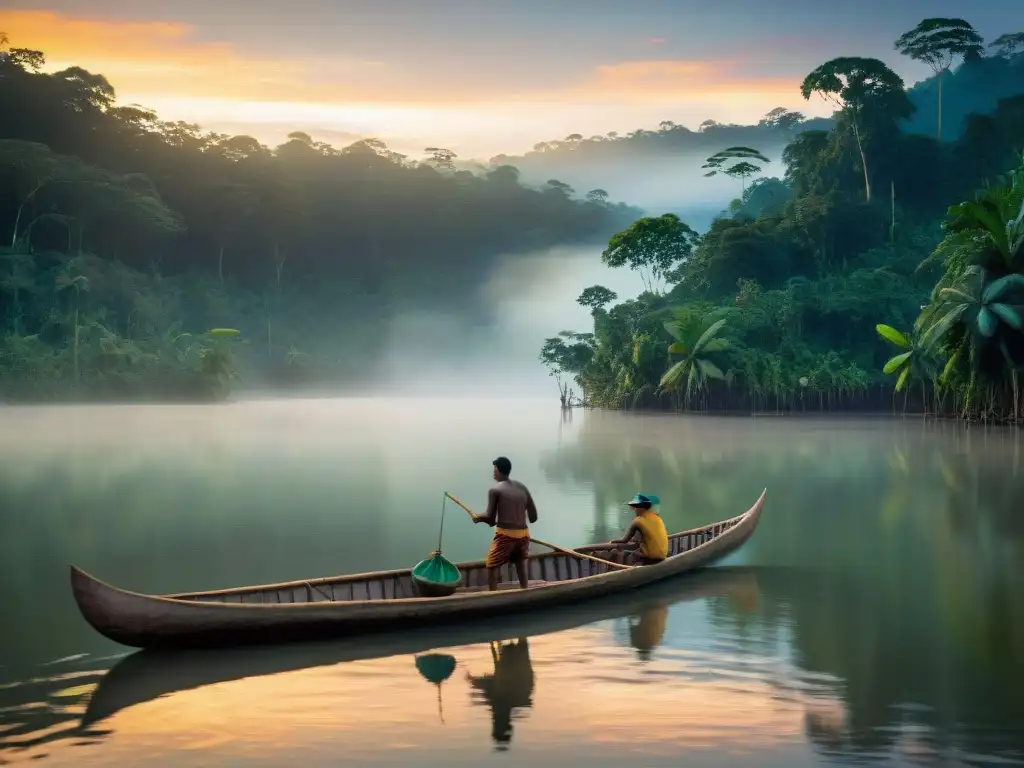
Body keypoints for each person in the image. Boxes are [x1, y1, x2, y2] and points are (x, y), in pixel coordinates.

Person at [472, 456, 538, 591]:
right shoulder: (521, 487)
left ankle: (493, 595)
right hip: (524, 535)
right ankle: (524, 590)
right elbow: (533, 517)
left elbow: (490, 518)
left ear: (499, 470)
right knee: (520, 564)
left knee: (492, 564)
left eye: (494, 469)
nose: (493, 472)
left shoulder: (495, 490)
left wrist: (478, 517)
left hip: (505, 536)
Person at [610, 493, 668, 564]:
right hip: (663, 555)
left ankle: (627, 569)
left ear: (641, 508)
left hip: (652, 556)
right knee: (637, 550)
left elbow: (624, 540)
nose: (634, 510)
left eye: (636, 507)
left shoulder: (637, 521)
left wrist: (612, 542)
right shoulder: (657, 518)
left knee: (625, 553)